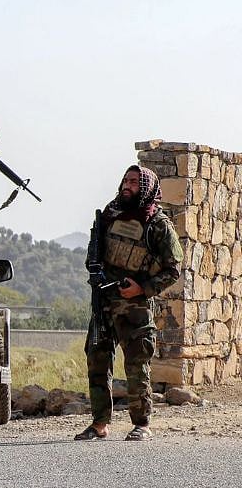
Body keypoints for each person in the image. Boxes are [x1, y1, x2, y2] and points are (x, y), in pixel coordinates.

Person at [75, 165, 183, 442]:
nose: (127, 185)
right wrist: (96, 274)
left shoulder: (157, 224)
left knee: (137, 365)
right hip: (104, 303)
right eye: (125, 180)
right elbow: (93, 255)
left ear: (145, 187)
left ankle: (142, 424)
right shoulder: (109, 215)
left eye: (134, 182)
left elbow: (173, 270)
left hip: (135, 307)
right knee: (97, 361)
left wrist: (142, 288)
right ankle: (99, 423)